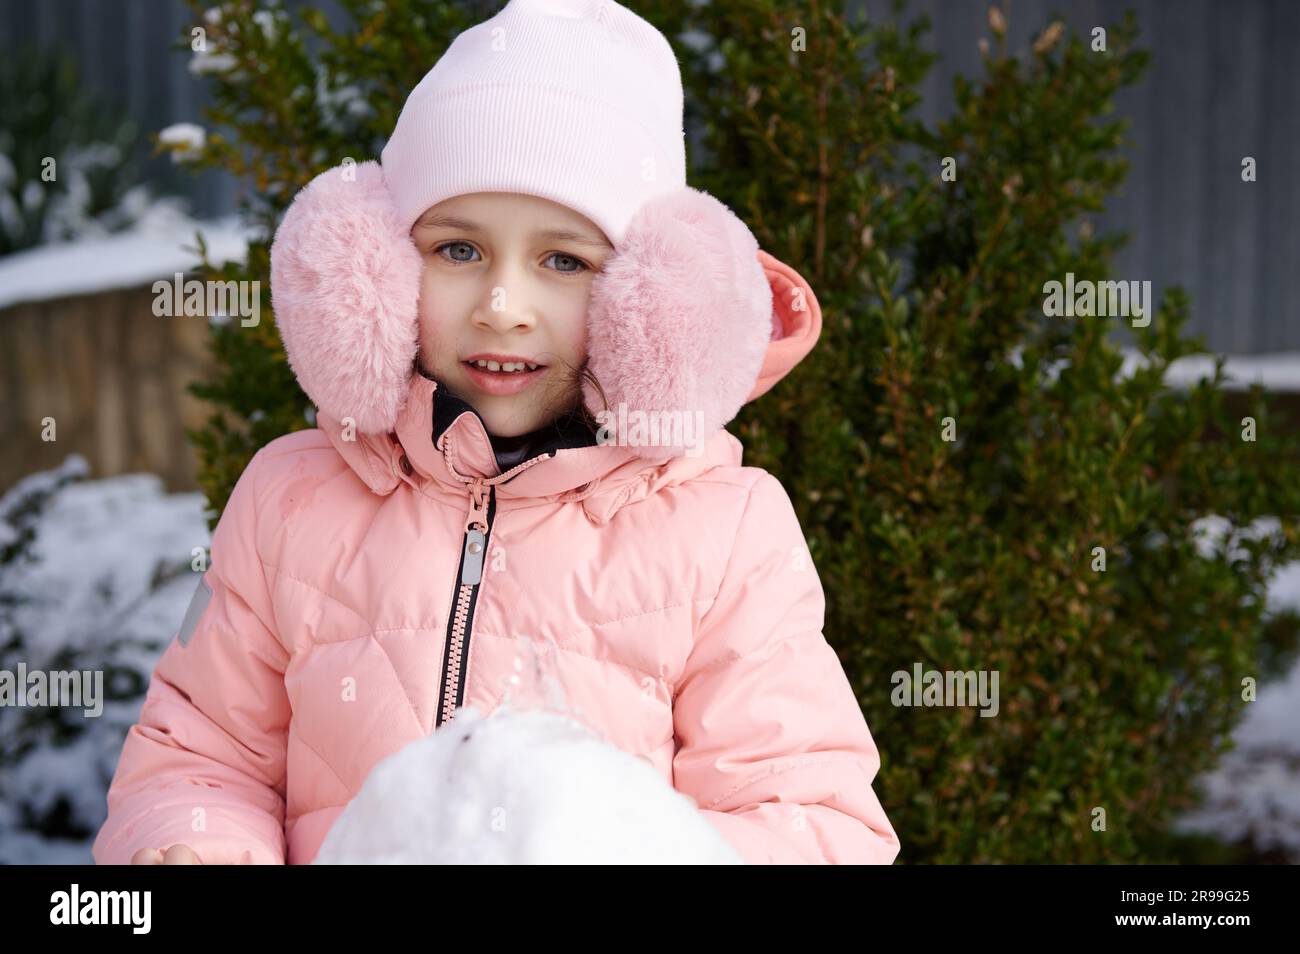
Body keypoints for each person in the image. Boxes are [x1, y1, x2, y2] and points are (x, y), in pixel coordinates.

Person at [94, 0, 900, 866]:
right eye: (458, 250)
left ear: (650, 300)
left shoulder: (725, 534)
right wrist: (192, 846)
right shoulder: (290, 499)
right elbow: (199, 756)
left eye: (563, 260)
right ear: (382, 264)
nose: (502, 306)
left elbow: (809, 819)